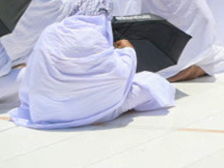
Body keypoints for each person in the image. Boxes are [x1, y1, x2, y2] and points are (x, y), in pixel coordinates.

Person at [8, 8, 176, 129]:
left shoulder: (52, 31)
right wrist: (127, 51)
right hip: (97, 109)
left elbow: (33, 72)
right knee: (152, 82)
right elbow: (120, 76)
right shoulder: (96, 35)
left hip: (46, 110)